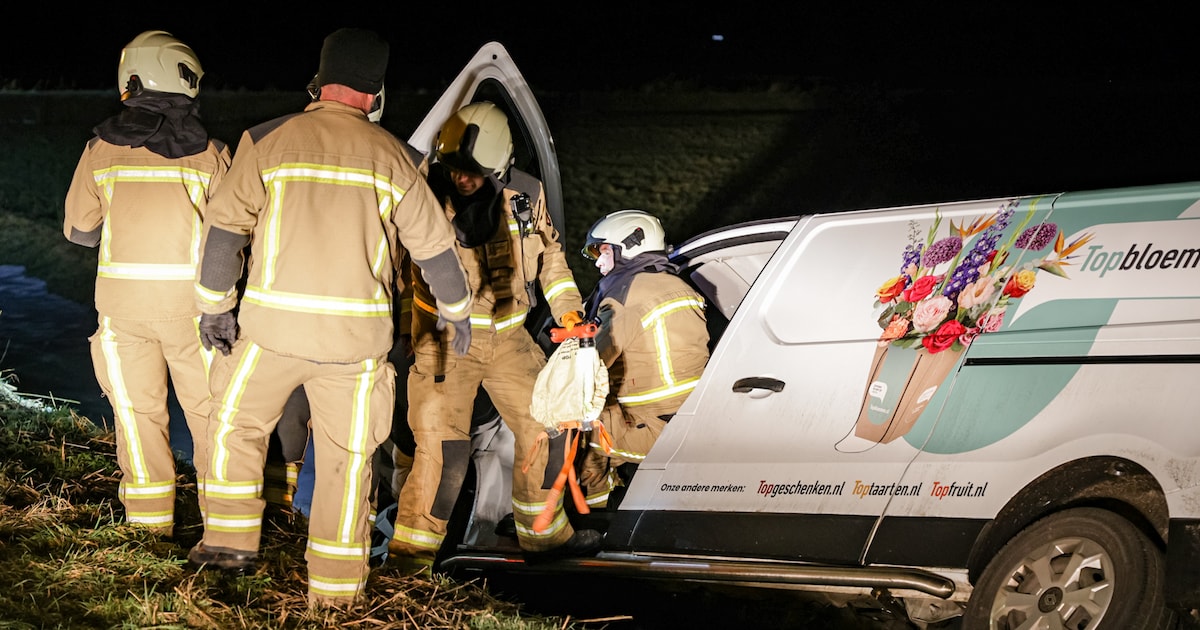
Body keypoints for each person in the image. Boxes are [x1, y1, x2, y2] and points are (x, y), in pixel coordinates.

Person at [186, 27, 473, 608]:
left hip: (269, 336)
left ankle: (229, 553)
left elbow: (223, 234)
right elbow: (435, 249)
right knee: (347, 463)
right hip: (356, 353)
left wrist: (215, 308)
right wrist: (458, 312)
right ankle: (336, 597)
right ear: (376, 94)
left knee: (234, 431)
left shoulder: (266, 140)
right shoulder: (392, 156)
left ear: (319, 81)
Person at [388, 101, 599, 572]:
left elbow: (552, 262)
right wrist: (406, 326)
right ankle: (410, 561)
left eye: (474, 172)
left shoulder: (525, 194)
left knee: (553, 426)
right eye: (456, 169)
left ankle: (543, 535)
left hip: (509, 340)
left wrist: (569, 315)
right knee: (445, 452)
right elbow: (402, 268)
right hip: (444, 344)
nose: (462, 180)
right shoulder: (420, 188)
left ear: (501, 166)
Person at [63, 30, 230, 538]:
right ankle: (224, 531)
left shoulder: (99, 150)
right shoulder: (213, 153)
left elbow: (79, 232)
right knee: (211, 419)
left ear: (130, 77)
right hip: (198, 316)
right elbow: (235, 237)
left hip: (123, 314)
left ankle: (148, 532)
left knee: (137, 419)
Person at [576, 210, 709, 508]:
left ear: (629, 247)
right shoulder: (681, 287)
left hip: (653, 433)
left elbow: (590, 364)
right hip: (692, 421)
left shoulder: (625, 297)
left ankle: (596, 519)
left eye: (602, 251)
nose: (597, 261)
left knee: (582, 448)